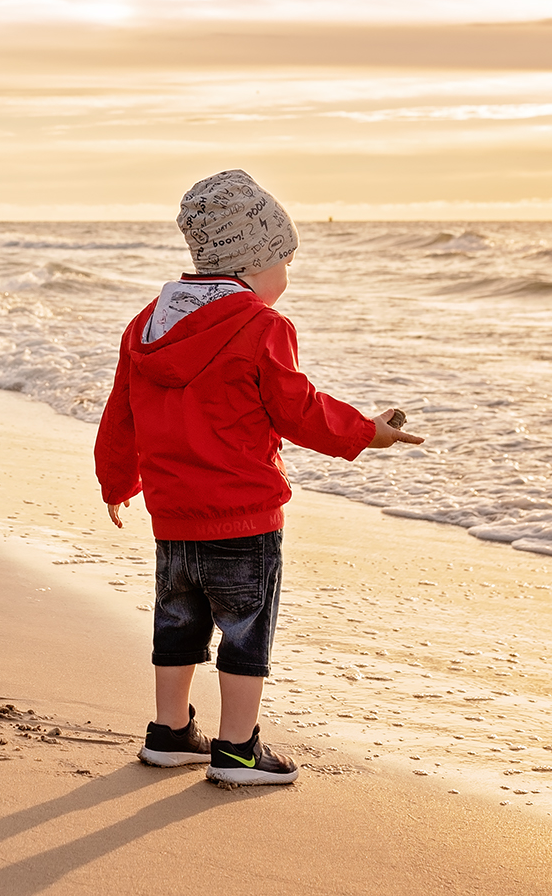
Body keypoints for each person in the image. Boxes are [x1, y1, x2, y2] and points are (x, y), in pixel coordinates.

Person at [96, 169, 424, 784]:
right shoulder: (261, 325)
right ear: (254, 262)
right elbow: (299, 409)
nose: (287, 277)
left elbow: (122, 413)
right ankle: (238, 748)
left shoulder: (147, 324)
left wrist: (117, 482)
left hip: (173, 516)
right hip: (243, 517)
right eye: (286, 261)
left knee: (178, 621)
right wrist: (366, 431)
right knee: (245, 629)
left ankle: (169, 732)